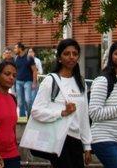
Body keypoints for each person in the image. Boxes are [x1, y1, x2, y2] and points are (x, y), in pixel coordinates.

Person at [31, 38, 92, 168]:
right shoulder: (50, 80)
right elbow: (36, 111)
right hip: (58, 137)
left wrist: (87, 146)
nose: (71, 57)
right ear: (59, 57)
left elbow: (84, 116)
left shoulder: (81, 82)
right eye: (66, 53)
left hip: (76, 139)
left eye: (75, 54)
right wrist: (62, 113)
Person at [13, 42, 37, 117]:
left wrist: (34, 83)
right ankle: (22, 117)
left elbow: (34, 70)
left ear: (20, 48)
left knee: (28, 100)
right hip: (18, 82)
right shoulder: (16, 58)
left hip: (28, 82)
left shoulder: (29, 58)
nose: (14, 50)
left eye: (16, 48)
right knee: (20, 102)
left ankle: (29, 117)